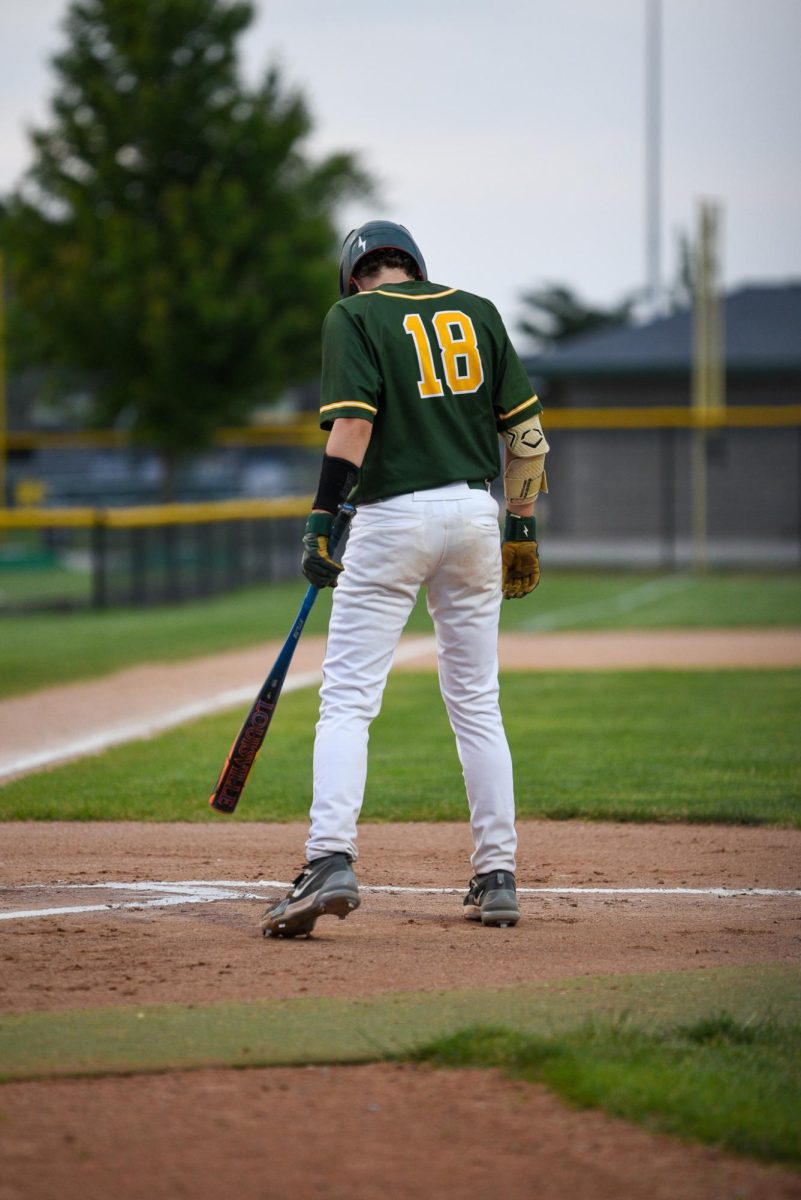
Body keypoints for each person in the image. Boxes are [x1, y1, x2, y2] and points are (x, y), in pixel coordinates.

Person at [261, 220, 549, 939]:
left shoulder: (353, 314)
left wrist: (321, 518)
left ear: (357, 274)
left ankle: (328, 858)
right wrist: (521, 527)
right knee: (477, 703)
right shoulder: (477, 310)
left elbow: (352, 428)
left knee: (349, 702)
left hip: (392, 520)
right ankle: (497, 875)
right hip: (475, 515)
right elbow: (525, 436)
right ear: (412, 267)